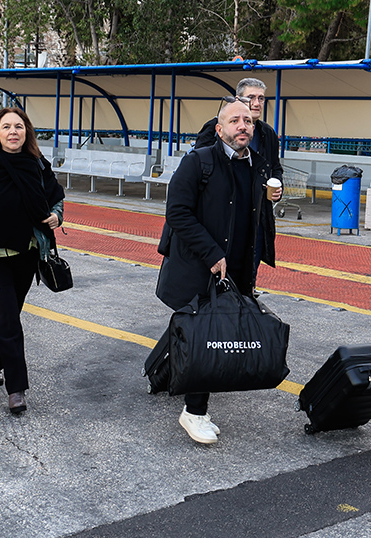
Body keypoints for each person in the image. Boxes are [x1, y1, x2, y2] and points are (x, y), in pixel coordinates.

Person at [156, 98, 276, 444]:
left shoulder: (257, 165)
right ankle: (194, 412)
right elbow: (177, 212)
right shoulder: (199, 161)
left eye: (248, 121)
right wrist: (211, 253)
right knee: (207, 336)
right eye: (235, 120)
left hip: (238, 266)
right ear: (219, 129)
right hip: (203, 266)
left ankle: (171, 383)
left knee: (209, 334)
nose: (243, 126)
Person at [0, 107, 65, 415]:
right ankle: (16, 390)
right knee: (8, 322)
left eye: (19, 126)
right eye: (6, 127)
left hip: (27, 255)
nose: (13, 131)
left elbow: (56, 195)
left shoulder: (37, 164)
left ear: (27, 132)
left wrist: (56, 215)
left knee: (7, 317)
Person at [194, 78, 283, 289]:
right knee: (218, 271)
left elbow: (275, 167)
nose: (256, 103)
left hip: (255, 215)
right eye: (251, 97)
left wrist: (277, 185)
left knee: (249, 269)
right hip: (222, 215)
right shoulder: (214, 128)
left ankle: (245, 296)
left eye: (261, 98)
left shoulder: (268, 134)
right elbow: (199, 166)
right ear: (238, 99)